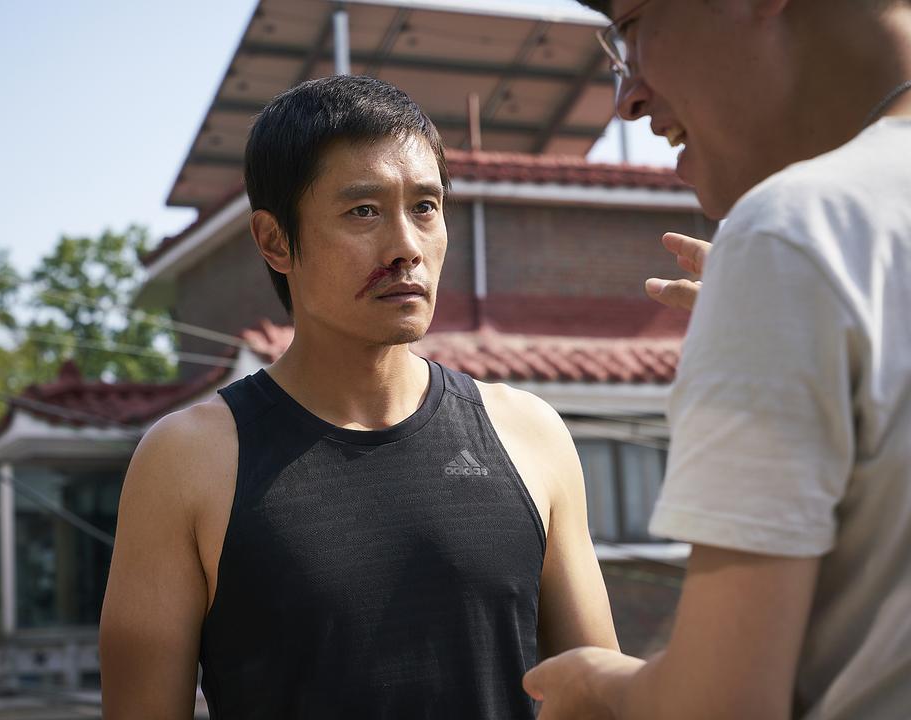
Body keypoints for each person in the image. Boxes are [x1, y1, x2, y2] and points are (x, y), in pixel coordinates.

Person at [99, 74, 617, 719]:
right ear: (275, 241)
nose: (406, 248)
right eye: (363, 211)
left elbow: (601, 700)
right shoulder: (188, 461)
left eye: (425, 207)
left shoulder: (529, 433)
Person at [523, 0, 911, 718]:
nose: (628, 98)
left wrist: (595, 682)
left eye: (630, 30)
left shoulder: (797, 235)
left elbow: (723, 705)